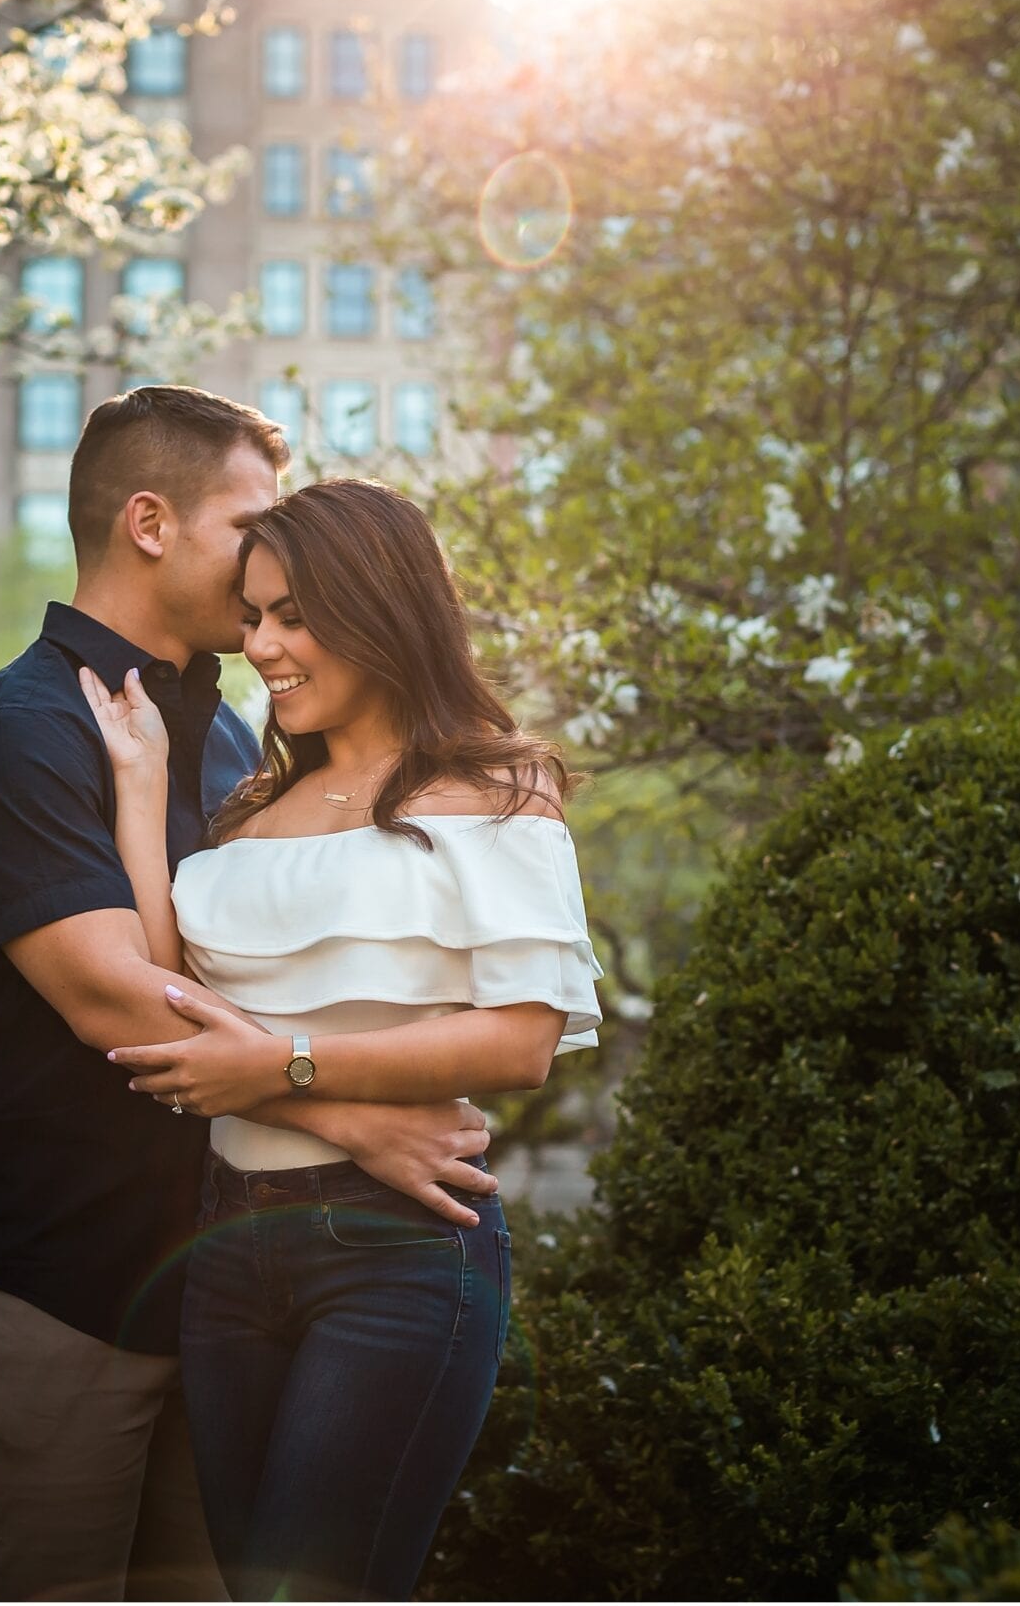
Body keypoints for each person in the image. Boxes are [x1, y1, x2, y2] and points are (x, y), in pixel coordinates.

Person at [0, 388, 503, 1602]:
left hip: (228, 1290)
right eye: (250, 520)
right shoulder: (17, 735)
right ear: (148, 522)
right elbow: (122, 1002)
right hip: (55, 1285)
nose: (274, 553)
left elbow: (243, 971)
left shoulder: (240, 741)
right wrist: (359, 1121)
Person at [79, 476, 603, 1601]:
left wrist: (286, 1063)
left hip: (398, 1254)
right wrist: (139, 786)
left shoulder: (495, 790)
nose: (263, 643)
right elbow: (173, 996)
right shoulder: (251, 809)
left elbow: (518, 1038)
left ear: (381, 607)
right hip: (224, 1250)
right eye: (255, 614)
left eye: (293, 615)